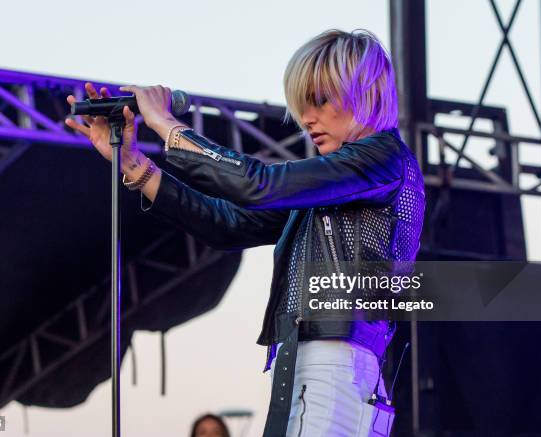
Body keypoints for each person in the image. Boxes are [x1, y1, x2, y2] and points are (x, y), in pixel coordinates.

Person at [66, 29, 425, 437]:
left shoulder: (384, 158)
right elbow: (227, 224)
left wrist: (166, 125)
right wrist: (132, 164)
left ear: (365, 93)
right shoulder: (340, 183)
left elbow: (260, 184)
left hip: (333, 364)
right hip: (308, 364)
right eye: (303, 106)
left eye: (320, 101)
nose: (308, 119)